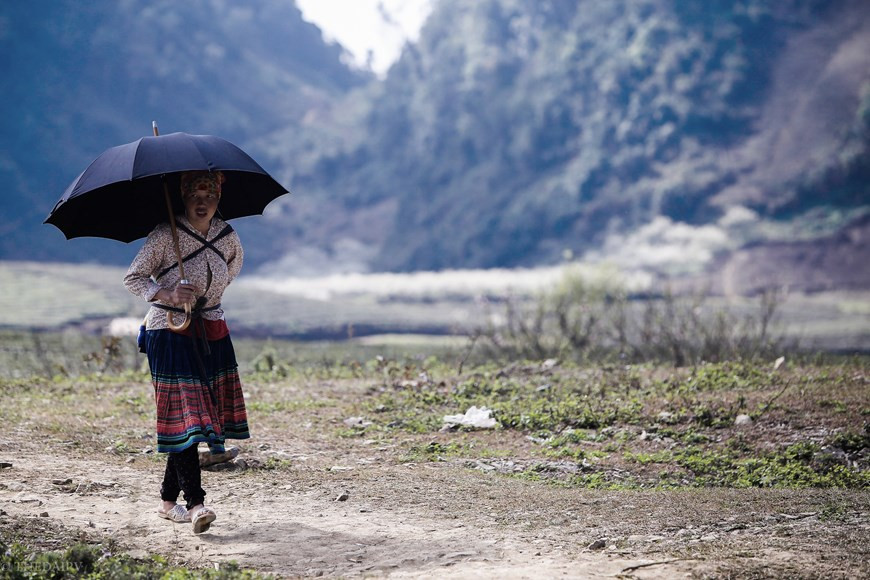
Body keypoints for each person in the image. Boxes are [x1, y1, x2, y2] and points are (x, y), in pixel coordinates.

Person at [124, 170, 250, 534]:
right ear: (183, 197)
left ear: (218, 199)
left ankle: (167, 501)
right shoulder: (166, 235)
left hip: (209, 330)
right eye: (195, 196)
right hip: (169, 330)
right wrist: (167, 294)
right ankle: (196, 504)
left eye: (208, 196)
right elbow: (133, 277)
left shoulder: (227, 237)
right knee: (187, 416)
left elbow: (232, 270)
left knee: (194, 417)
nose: (201, 202)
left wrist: (208, 295)